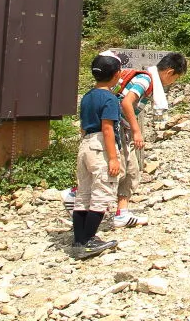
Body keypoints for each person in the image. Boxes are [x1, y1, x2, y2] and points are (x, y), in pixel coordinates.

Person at [112, 52, 187, 227]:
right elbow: (126, 103)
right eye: (175, 78)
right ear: (169, 72)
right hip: (115, 127)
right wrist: (137, 131)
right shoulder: (146, 80)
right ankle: (77, 195)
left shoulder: (149, 81)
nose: (173, 82)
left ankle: (122, 213)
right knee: (117, 170)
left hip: (122, 128)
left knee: (131, 170)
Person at [71, 54, 123, 259]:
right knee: (102, 193)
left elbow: (83, 127)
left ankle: (79, 240)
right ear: (117, 74)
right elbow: (108, 129)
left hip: (85, 145)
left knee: (83, 194)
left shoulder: (87, 96)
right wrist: (113, 158)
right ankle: (90, 239)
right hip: (101, 145)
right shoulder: (109, 98)